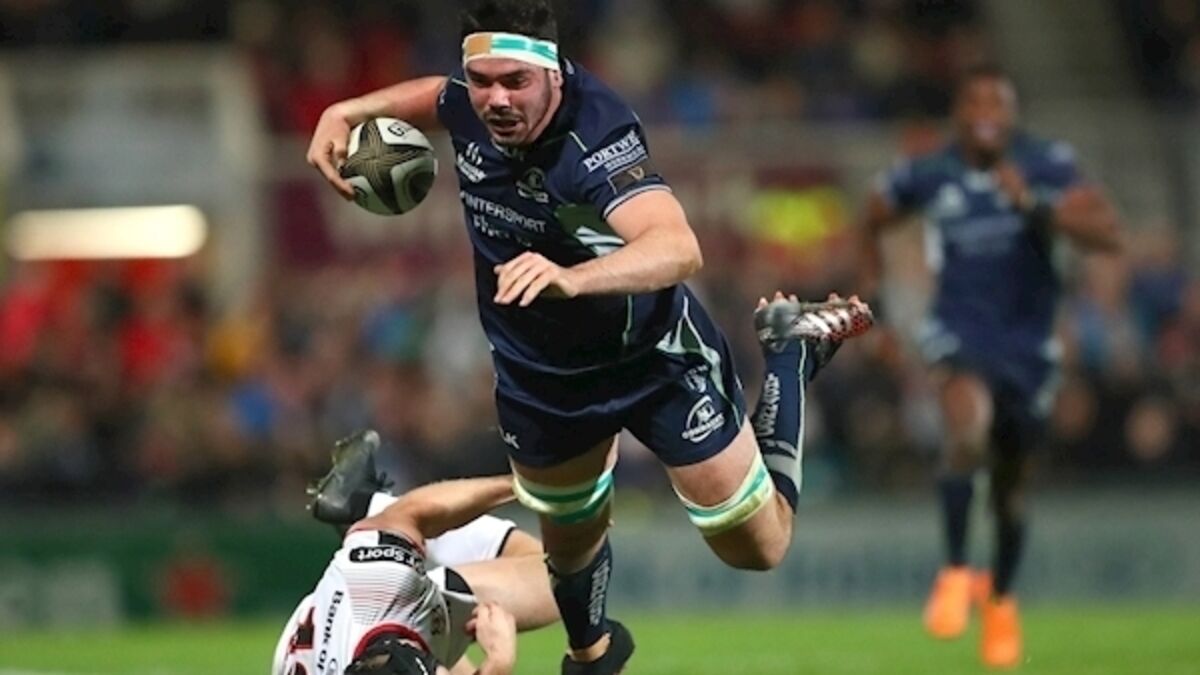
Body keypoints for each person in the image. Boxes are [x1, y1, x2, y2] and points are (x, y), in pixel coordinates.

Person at [306, 1, 873, 672]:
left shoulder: (594, 138)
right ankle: (591, 657)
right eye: (482, 80)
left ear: (554, 73)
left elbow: (678, 246)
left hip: (653, 358)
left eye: (515, 82)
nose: (495, 99)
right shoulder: (474, 101)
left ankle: (788, 354)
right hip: (541, 376)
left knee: (758, 547)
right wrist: (345, 110)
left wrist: (573, 279)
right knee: (569, 547)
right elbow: (437, 95)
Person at [860, 64, 1121, 669]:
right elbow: (871, 219)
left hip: (1028, 345)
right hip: (959, 330)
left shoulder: (1046, 163)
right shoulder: (929, 171)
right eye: (974, 102)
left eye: (997, 104)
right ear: (958, 112)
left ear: (1012, 113)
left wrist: (1033, 205)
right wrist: (872, 301)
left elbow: (1106, 233)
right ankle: (955, 570)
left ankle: (1000, 597)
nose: (985, 114)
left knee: (1010, 491)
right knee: (966, 428)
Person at [273, 430, 556, 675]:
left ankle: (362, 504)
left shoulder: (382, 583)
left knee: (552, 577)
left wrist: (527, 486)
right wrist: (498, 663)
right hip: (351, 640)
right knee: (559, 579)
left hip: (366, 608)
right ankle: (368, 506)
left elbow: (414, 513)